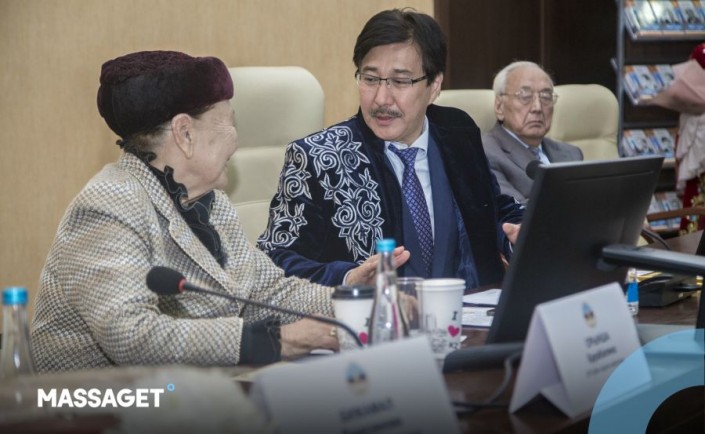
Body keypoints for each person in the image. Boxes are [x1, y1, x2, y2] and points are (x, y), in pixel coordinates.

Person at [31, 50, 338, 372]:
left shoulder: (210, 203)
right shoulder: (109, 202)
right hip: (99, 399)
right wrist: (277, 341)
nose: (235, 140)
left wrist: (355, 301)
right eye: (229, 122)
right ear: (185, 133)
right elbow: (132, 336)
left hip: (190, 390)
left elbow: (270, 293)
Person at [258, 9, 523, 290]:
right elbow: (273, 259)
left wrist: (518, 234)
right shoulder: (318, 157)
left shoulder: (458, 133)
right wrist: (348, 279)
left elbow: (493, 210)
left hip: (470, 311)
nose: (381, 99)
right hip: (376, 315)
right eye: (370, 79)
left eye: (400, 81)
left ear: (434, 85)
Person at [482, 61, 583, 204]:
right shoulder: (484, 154)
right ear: (499, 106)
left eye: (546, 96)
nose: (537, 107)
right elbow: (514, 211)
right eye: (525, 96)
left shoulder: (571, 154)